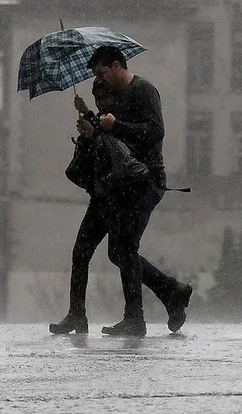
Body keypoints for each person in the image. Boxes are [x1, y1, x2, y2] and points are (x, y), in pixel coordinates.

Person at [86, 45, 193, 337]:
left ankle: (137, 318)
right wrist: (92, 125)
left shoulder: (145, 90)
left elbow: (155, 131)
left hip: (147, 181)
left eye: (102, 72)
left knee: (124, 248)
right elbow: (115, 141)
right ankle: (171, 292)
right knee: (119, 251)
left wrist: (116, 125)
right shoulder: (116, 99)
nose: (101, 79)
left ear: (118, 65)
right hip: (126, 185)